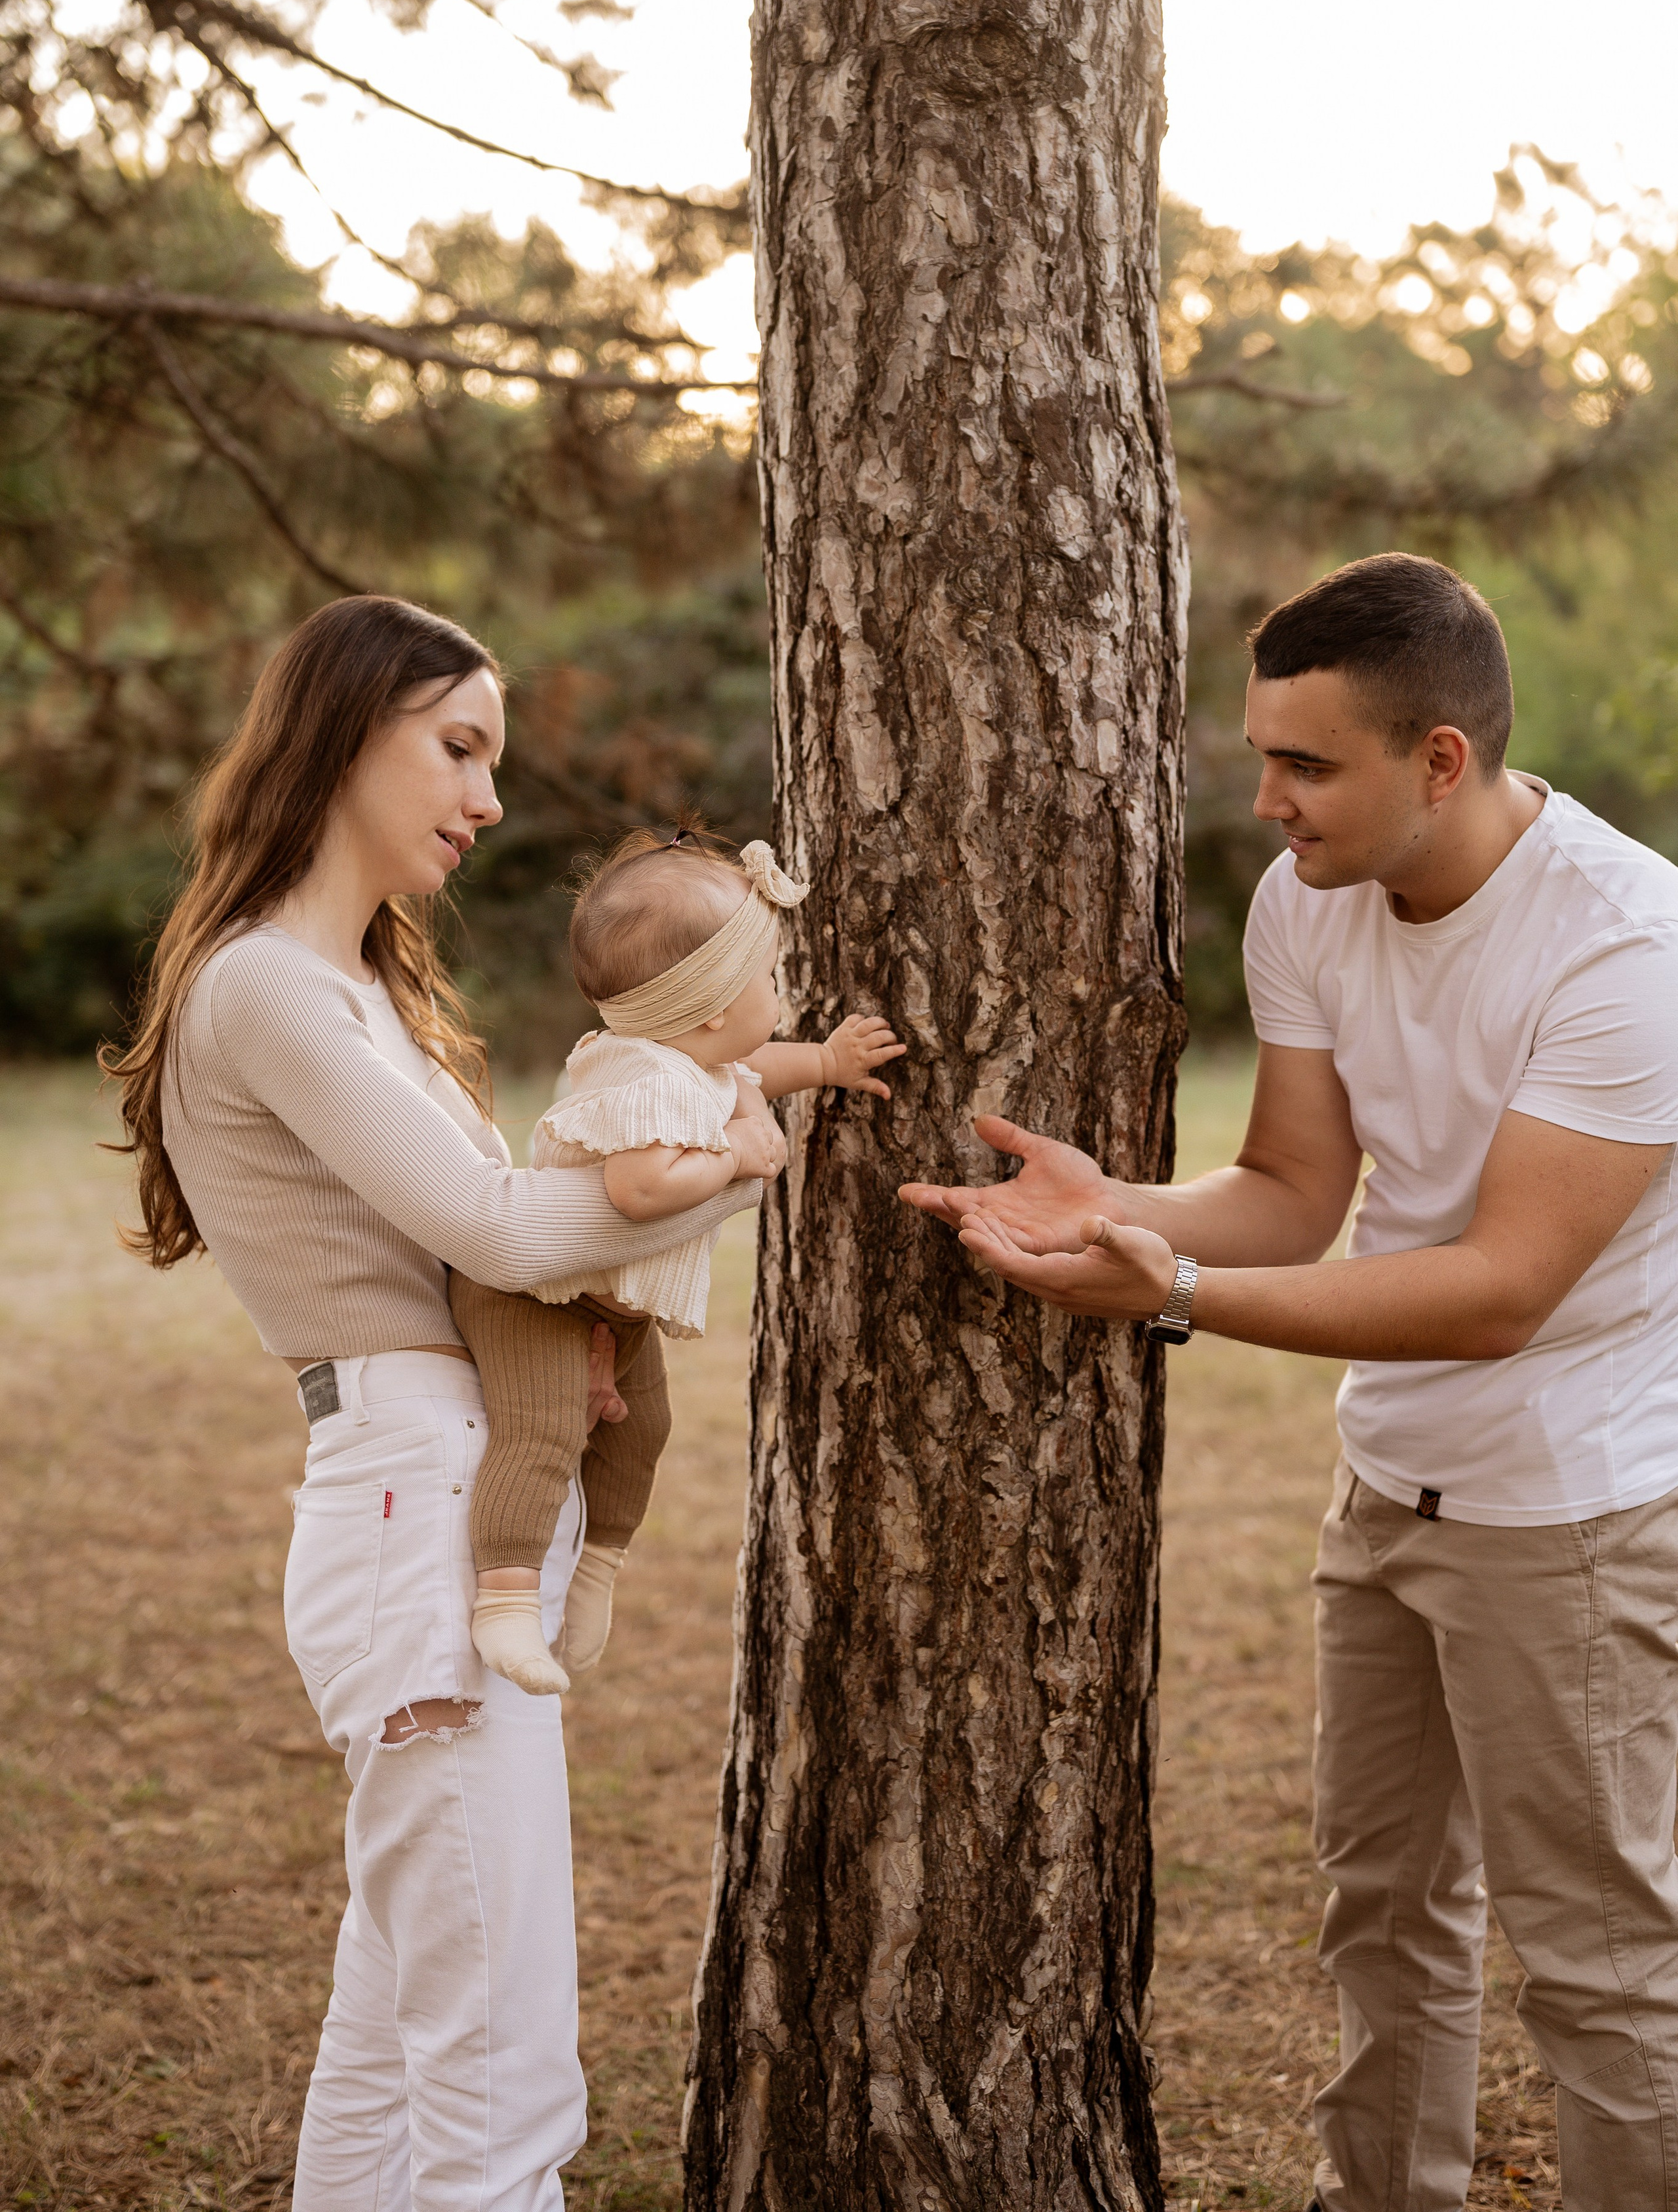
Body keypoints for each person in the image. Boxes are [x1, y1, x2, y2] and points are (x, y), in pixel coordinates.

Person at [900, 551, 1678, 2212]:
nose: (1264, 803)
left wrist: (1173, 1294)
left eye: (1305, 765)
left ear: (1438, 760)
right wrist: (1109, 1205)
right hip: (1385, 1480)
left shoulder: (1627, 948)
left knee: (1601, 1964)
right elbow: (1289, 1192)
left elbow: (1499, 1292)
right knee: (1380, 1914)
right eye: (1261, 756)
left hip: (1568, 1511)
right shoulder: (1304, 900)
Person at [102, 594, 783, 2212]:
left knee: (400, 2016)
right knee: (494, 2041)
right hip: (415, 1497)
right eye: (458, 748)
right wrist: (744, 1154)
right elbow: (500, 1234)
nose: (487, 797)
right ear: (345, 735)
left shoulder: (357, 992)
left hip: (435, 1482)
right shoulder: (268, 987)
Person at [455, 826, 905, 1695]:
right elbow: (640, 1188)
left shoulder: (689, 1057)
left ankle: (597, 1568)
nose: (779, 992)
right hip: (536, 1300)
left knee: (642, 1429)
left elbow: (751, 1070)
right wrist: (735, 1157)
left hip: (609, 1305)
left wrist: (826, 1062)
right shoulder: (648, 1080)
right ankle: (505, 1603)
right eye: (768, 979)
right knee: (543, 1432)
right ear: (710, 1011)